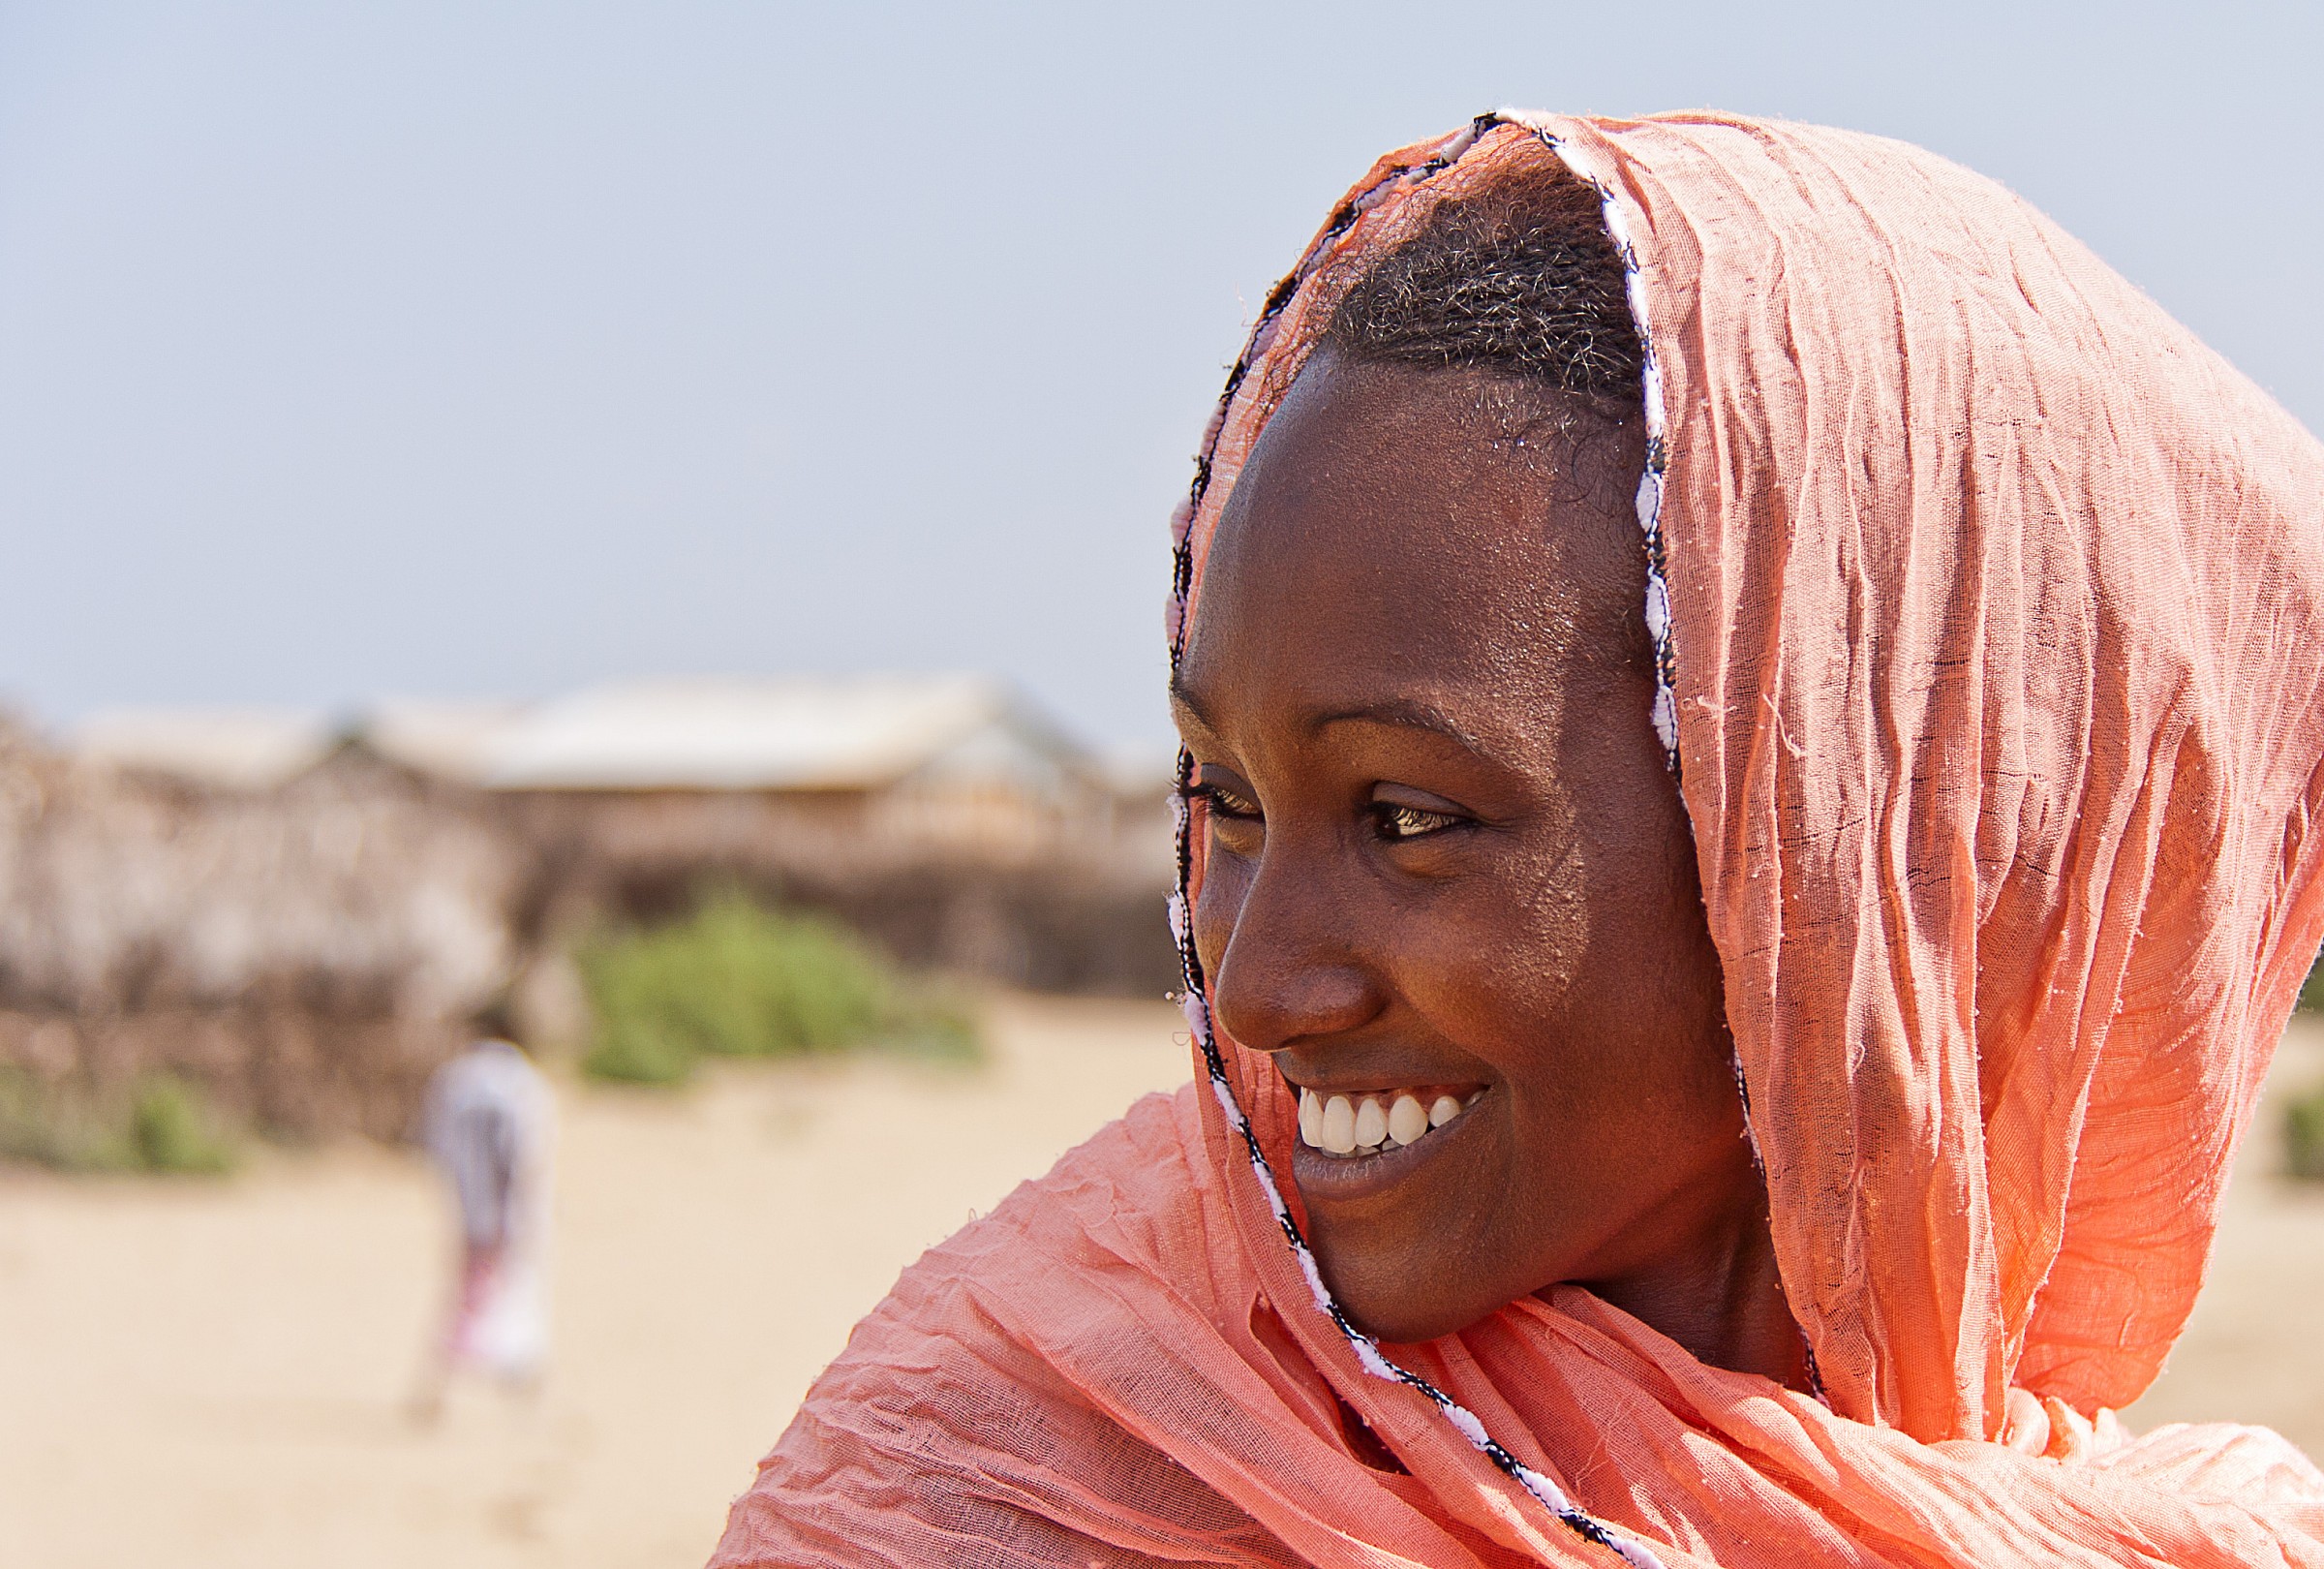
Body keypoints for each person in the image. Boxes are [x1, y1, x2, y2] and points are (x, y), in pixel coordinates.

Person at [710, 110, 2324, 1566]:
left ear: (1860, 858)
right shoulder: (1009, 1489)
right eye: (1230, 800)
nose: (1259, 988)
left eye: (1407, 818)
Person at [412, 1009, 554, 1420]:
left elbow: (435, 1145)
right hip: (513, 1210)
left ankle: (452, 1385)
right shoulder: (524, 1084)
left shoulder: (455, 1081)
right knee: (515, 1291)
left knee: (466, 1294)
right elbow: (527, 1154)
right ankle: (499, 1383)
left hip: (468, 1206)